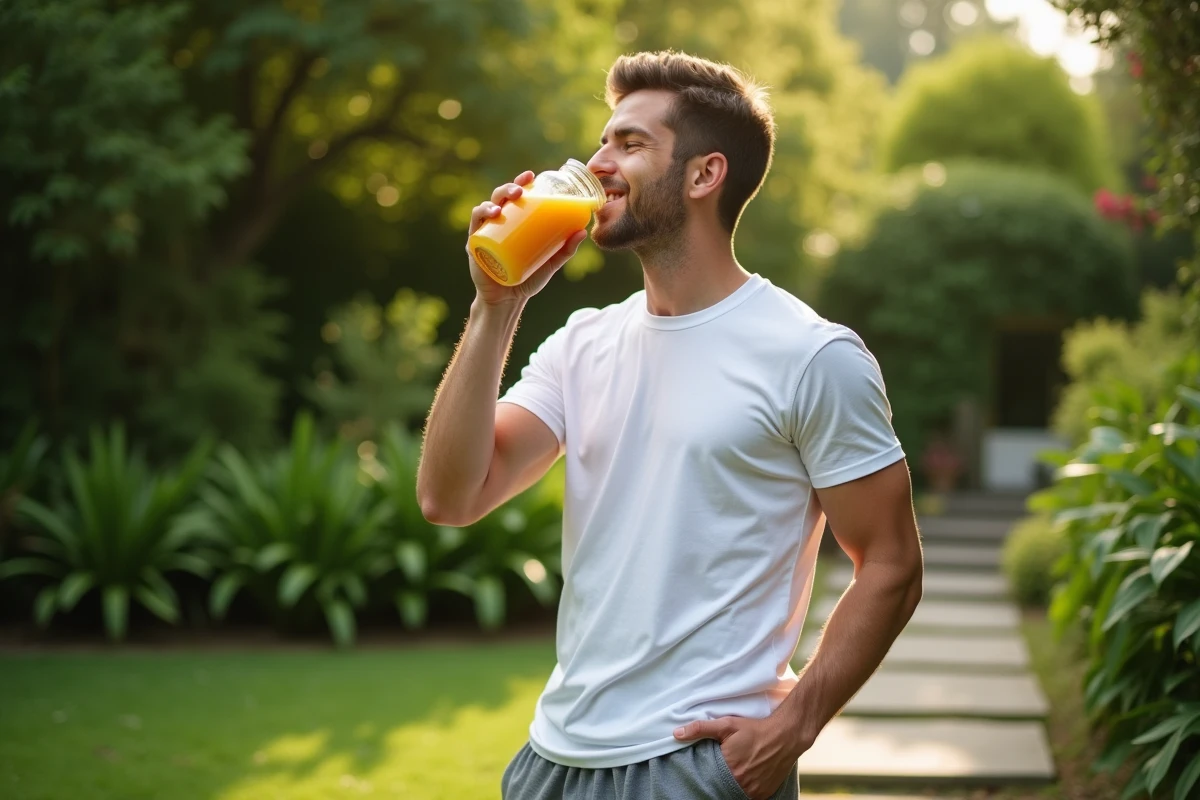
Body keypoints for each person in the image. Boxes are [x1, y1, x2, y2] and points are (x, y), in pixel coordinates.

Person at [416, 51, 924, 800]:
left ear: (703, 175)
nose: (598, 163)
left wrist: (794, 728)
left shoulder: (811, 355)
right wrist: (497, 306)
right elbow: (451, 497)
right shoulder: (581, 344)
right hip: (551, 762)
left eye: (629, 144)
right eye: (602, 141)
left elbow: (891, 564)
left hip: (696, 767)